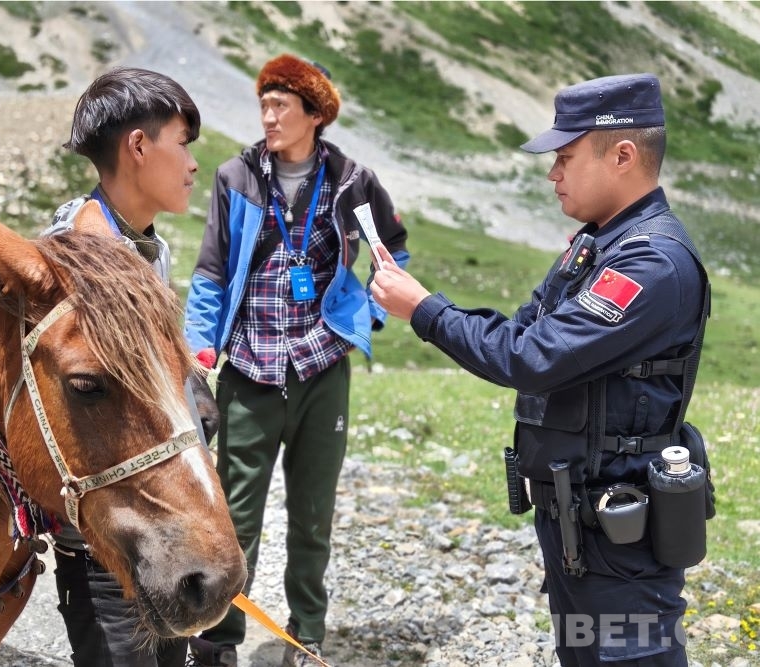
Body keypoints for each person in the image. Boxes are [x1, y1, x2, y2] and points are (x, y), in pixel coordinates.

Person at [370, 73, 710, 667]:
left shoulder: (650, 262)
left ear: (622, 156)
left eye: (566, 157)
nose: (553, 173)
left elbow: (530, 358)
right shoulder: (595, 246)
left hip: (620, 533)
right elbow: (523, 332)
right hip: (581, 522)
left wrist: (425, 310)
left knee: (630, 657)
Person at [183, 54, 410, 667]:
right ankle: (220, 640)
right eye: (264, 104)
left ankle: (306, 636)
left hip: (322, 372)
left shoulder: (354, 181)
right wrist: (198, 349)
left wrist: (372, 314)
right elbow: (210, 271)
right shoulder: (235, 177)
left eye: (281, 105)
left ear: (315, 113)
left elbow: (394, 250)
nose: (268, 116)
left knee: (313, 519)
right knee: (235, 520)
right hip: (248, 372)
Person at [41, 66, 204, 667]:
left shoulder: (146, 246)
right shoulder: (78, 258)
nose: (193, 164)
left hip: (160, 522)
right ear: (138, 146)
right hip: (108, 541)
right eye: (182, 143)